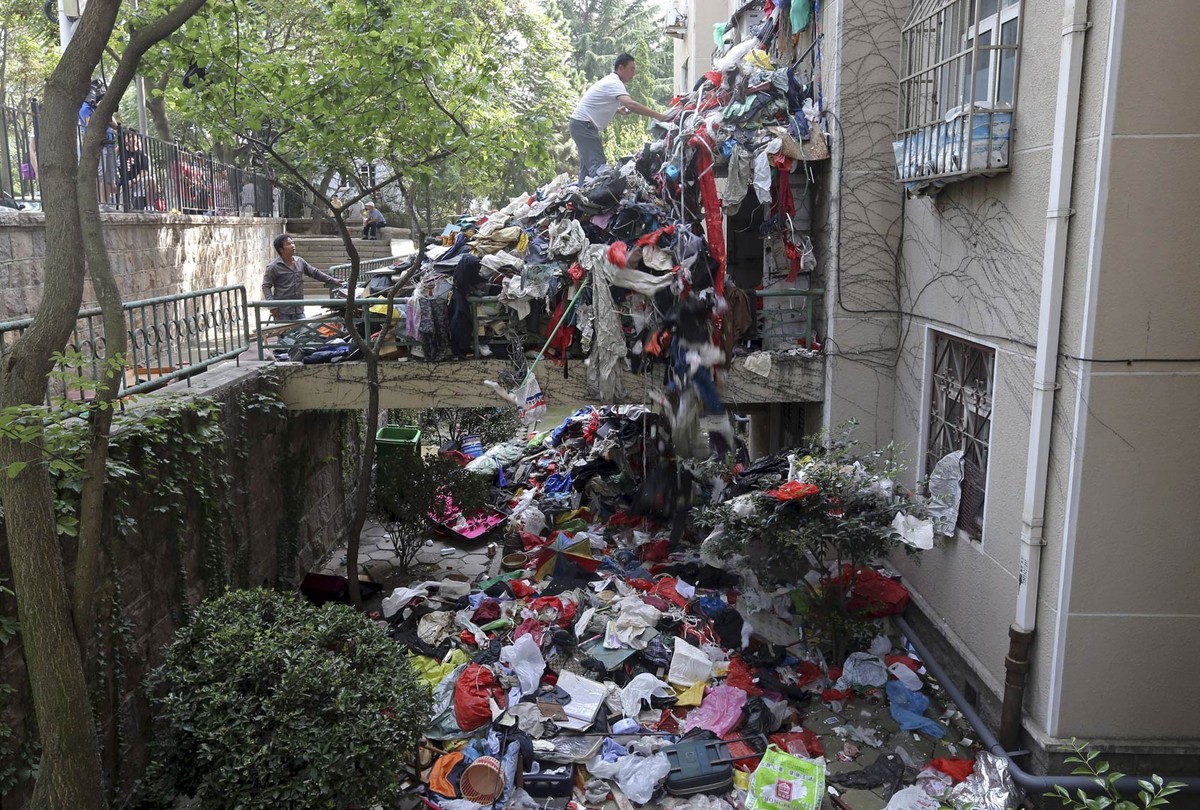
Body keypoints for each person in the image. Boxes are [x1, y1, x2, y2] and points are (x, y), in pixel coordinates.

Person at [568, 53, 674, 182]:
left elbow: (597, 104)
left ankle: (581, 192)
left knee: (586, 171)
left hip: (580, 124)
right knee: (599, 170)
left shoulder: (610, 81)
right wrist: (659, 116)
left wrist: (617, 110)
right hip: (584, 125)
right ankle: (602, 193)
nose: (633, 73)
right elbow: (631, 104)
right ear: (620, 68)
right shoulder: (615, 83)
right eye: (631, 69)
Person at [262, 234, 339, 321]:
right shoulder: (273, 267)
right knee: (284, 330)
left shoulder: (300, 261)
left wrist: (333, 280)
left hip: (299, 310)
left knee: (302, 329)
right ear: (281, 249)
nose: (293, 246)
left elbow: (314, 272)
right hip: (283, 311)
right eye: (289, 244)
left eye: (292, 243)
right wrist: (272, 306)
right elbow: (266, 286)